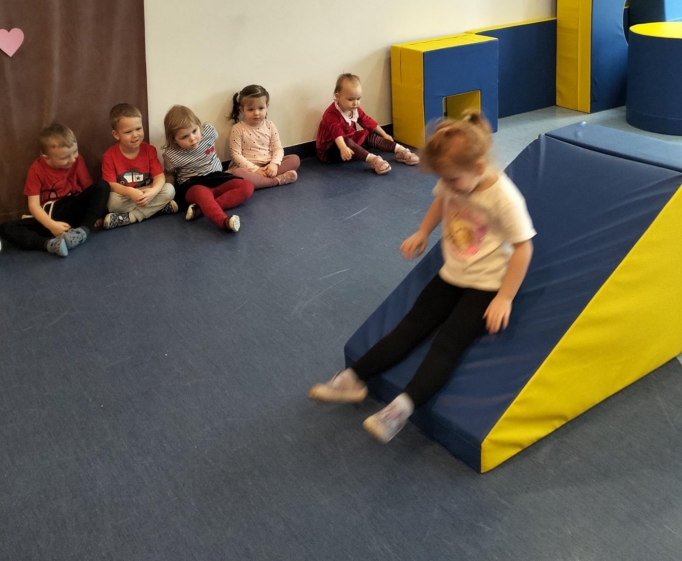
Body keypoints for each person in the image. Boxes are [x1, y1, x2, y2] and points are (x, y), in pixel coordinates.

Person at [309, 113, 535, 444]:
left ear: (479, 166)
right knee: (410, 326)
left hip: (487, 285)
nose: (448, 185)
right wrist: (423, 231)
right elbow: (443, 200)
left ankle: (401, 409)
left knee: (448, 343)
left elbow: (523, 248)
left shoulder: (504, 197)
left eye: (453, 180)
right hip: (453, 273)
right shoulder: (454, 176)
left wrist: (505, 297)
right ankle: (352, 378)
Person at [0, 122, 110, 256]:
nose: (72, 159)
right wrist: (51, 225)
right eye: (65, 157)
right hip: (51, 216)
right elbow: (33, 205)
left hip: (74, 208)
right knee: (6, 228)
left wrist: (94, 214)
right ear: (47, 157)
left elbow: (89, 187)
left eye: (75, 152)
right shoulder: (36, 169)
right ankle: (50, 244)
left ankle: (82, 232)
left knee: (103, 185)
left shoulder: (77, 160)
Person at [162, 104, 253, 232]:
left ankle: (200, 209)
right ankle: (224, 221)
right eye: (184, 137)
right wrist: (170, 194)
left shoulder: (209, 132)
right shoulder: (171, 154)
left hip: (217, 177)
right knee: (202, 194)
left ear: (199, 126)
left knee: (247, 186)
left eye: (194, 131)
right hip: (193, 183)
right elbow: (169, 173)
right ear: (174, 140)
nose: (192, 138)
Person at [316, 73, 420, 174]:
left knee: (368, 134)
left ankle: (400, 150)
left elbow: (368, 122)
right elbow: (337, 133)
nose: (355, 103)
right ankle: (373, 160)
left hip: (349, 142)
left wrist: (384, 134)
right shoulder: (331, 114)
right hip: (332, 150)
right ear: (337, 97)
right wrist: (343, 148)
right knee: (346, 140)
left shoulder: (354, 109)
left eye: (358, 99)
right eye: (350, 99)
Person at [101, 103, 177, 229]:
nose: (135, 135)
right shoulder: (109, 156)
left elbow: (159, 177)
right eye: (128, 132)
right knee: (111, 202)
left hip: (147, 191)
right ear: (116, 134)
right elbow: (111, 184)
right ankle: (158, 208)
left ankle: (131, 217)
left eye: (138, 129)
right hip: (126, 196)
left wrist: (153, 192)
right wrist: (130, 192)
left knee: (169, 190)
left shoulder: (149, 150)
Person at [227, 85, 300, 189]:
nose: (256, 113)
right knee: (237, 173)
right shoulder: (238, 128)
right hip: (248, 168)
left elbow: (278, 148)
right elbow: (236, 155)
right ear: (242, 110)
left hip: (268, 164)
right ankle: (275, 181)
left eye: (261, 108)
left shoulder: (270, 125)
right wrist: (255, 169)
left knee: (294, 159)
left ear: (267, 106)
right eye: (250, 109)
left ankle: (262, 181)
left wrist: (274, 164)